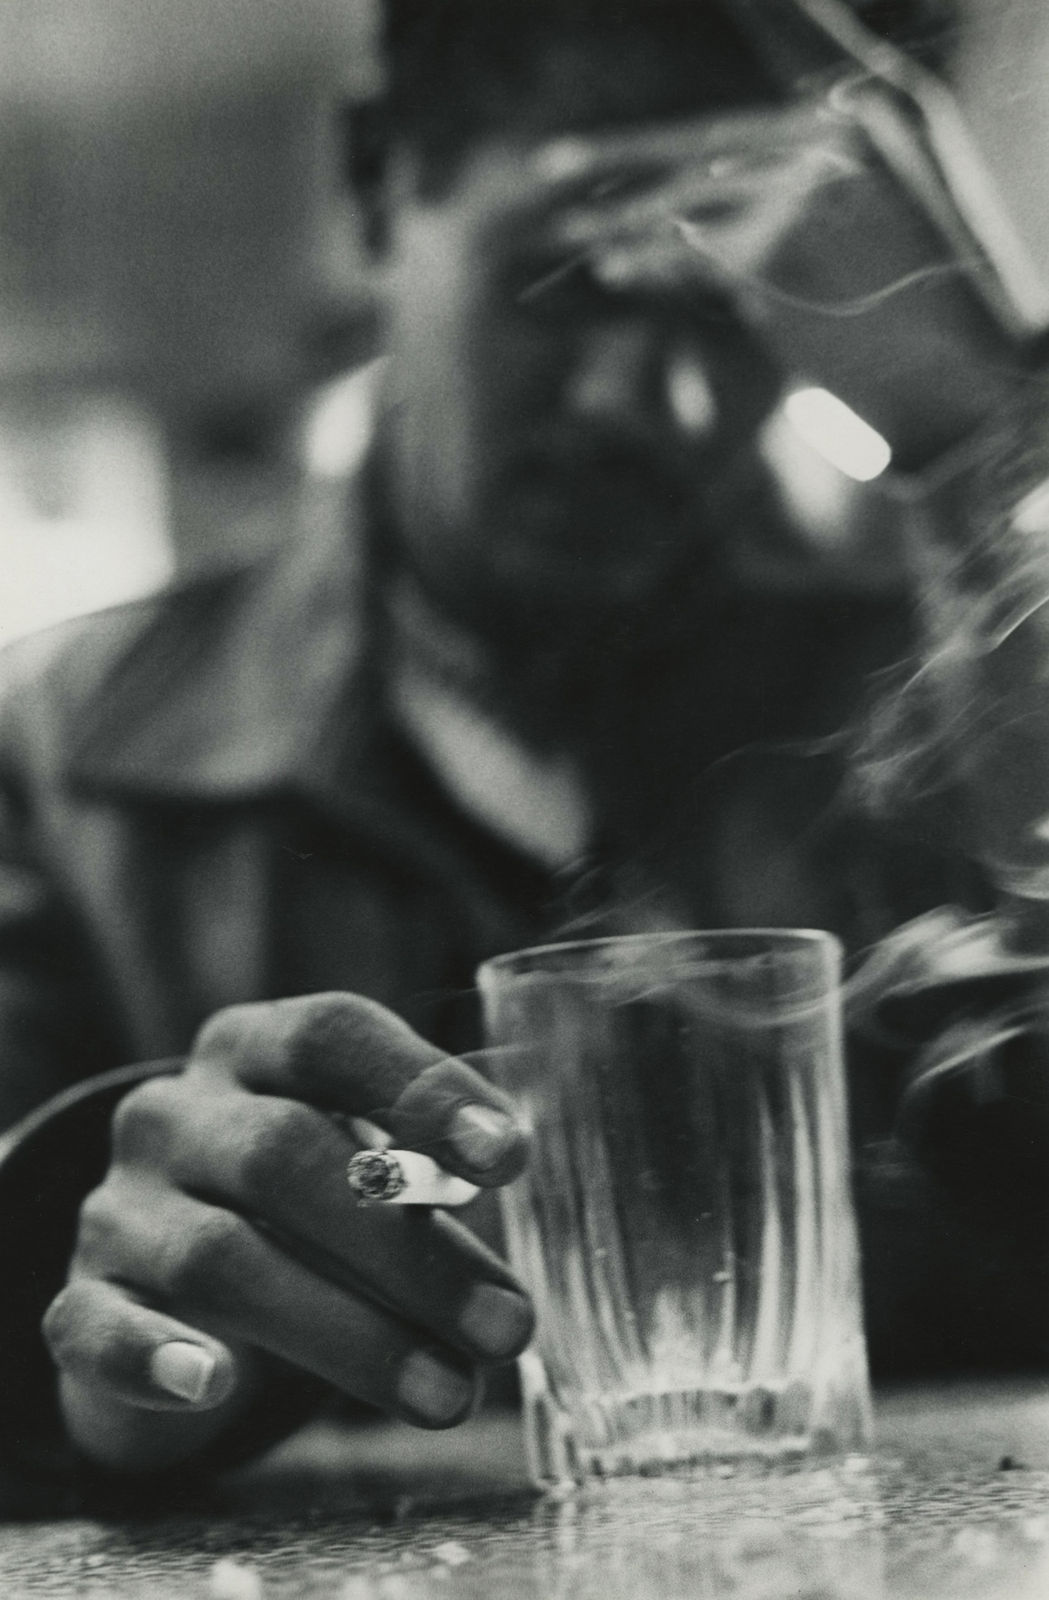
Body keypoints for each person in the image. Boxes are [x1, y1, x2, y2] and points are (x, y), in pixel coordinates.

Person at [0, 0, 1043, 1512]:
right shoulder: (51, 751)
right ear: (376, 188)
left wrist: (976, 439)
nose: (653, 403)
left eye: (728, 308)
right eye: (564, 286)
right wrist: (94, 1352)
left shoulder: (961, 691)